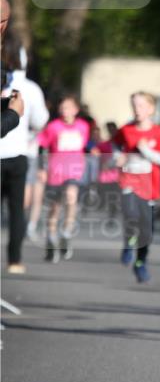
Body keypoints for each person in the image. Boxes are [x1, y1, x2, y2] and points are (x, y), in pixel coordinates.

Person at [0, 32, 49, 271]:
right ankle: (15, 260)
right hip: (18, 154)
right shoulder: (30, 88)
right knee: (17, 210)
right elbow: (40, 120)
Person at [113, 93, 160, 283]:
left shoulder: (159, 132)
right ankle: (128, 242)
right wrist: (117, 158)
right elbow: (114, 146)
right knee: (131, 214)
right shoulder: (126, 129)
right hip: (129, 181)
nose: (137, 110)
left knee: (147, 230)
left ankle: (140, 262)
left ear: (151, 109)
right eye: (135, 106)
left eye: (142, 106)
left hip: (150, 186)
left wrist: (146, 150)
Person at [37, 95, 89, 261]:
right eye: (62, 107)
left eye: (68, 107)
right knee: (55, 208)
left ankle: (66, 232)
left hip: (74, 171)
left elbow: (84, 146)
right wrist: (41, 168)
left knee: (71, 198)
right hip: (55, 172)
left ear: (76, 109)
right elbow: (42, 147)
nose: (64, 111)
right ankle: (51, 241)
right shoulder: (53, 127)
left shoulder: (83, 127)